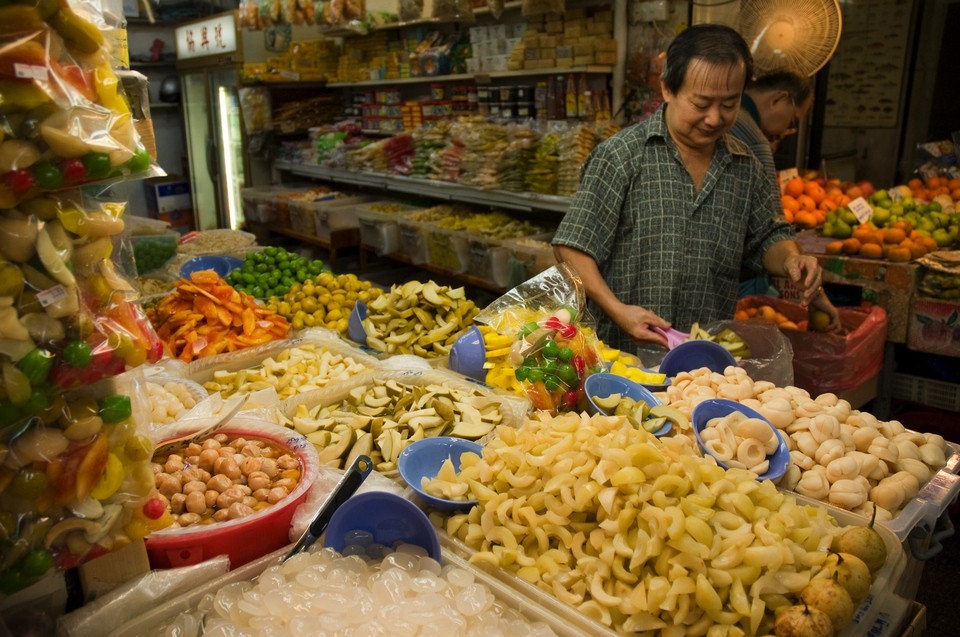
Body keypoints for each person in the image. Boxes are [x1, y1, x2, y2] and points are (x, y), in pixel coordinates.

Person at [551, 24, 839, 354]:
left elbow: (768, 236)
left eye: (729, 104)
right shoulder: (621, 156)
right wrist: (617, 310)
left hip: (703, 364)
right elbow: (572, 248)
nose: (715, 118)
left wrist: (791, 260)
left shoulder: (746, 167)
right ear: (668, 89)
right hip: (620, 356)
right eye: (701, 104)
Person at [730, 70, 814, 198]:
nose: (785, 130)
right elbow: (769, 211)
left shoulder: (726, 109)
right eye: (792, 121)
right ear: (778, 99)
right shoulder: (754, 140)